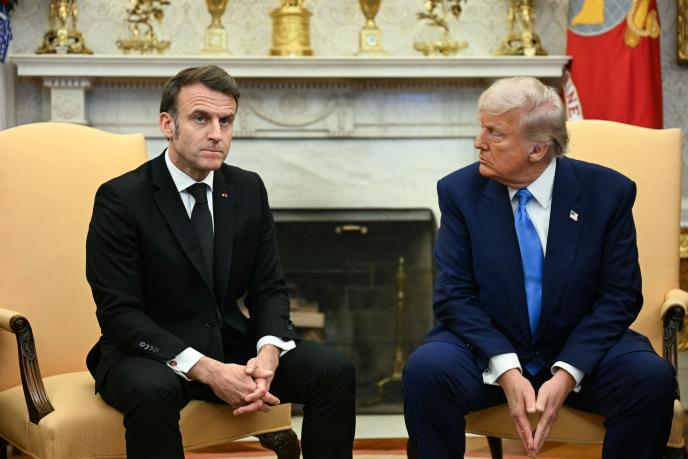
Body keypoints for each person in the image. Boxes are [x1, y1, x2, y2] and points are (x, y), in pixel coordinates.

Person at [85, 64, 355, 459]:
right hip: (147, 353)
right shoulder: (121, 199)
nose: (216, 133)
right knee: (151, 391)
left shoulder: (247, 188)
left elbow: (269, 288)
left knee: (334, 370)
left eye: (225, 121)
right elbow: (119, 314)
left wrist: (268, 352)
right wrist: (208, 370)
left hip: (229, 344)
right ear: (168, 124)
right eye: (200, 118)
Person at [402, 77, 675, 458]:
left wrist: (567, 372)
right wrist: (506, 369)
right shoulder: (460, 192)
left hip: (578, 344)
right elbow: (454, 295)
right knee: (426, 371)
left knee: (651, 379)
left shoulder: (608, 193)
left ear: (537, 148)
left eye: (495, 133)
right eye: (482, 128)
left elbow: (619, 296)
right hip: (487, 347)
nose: (479, 142)